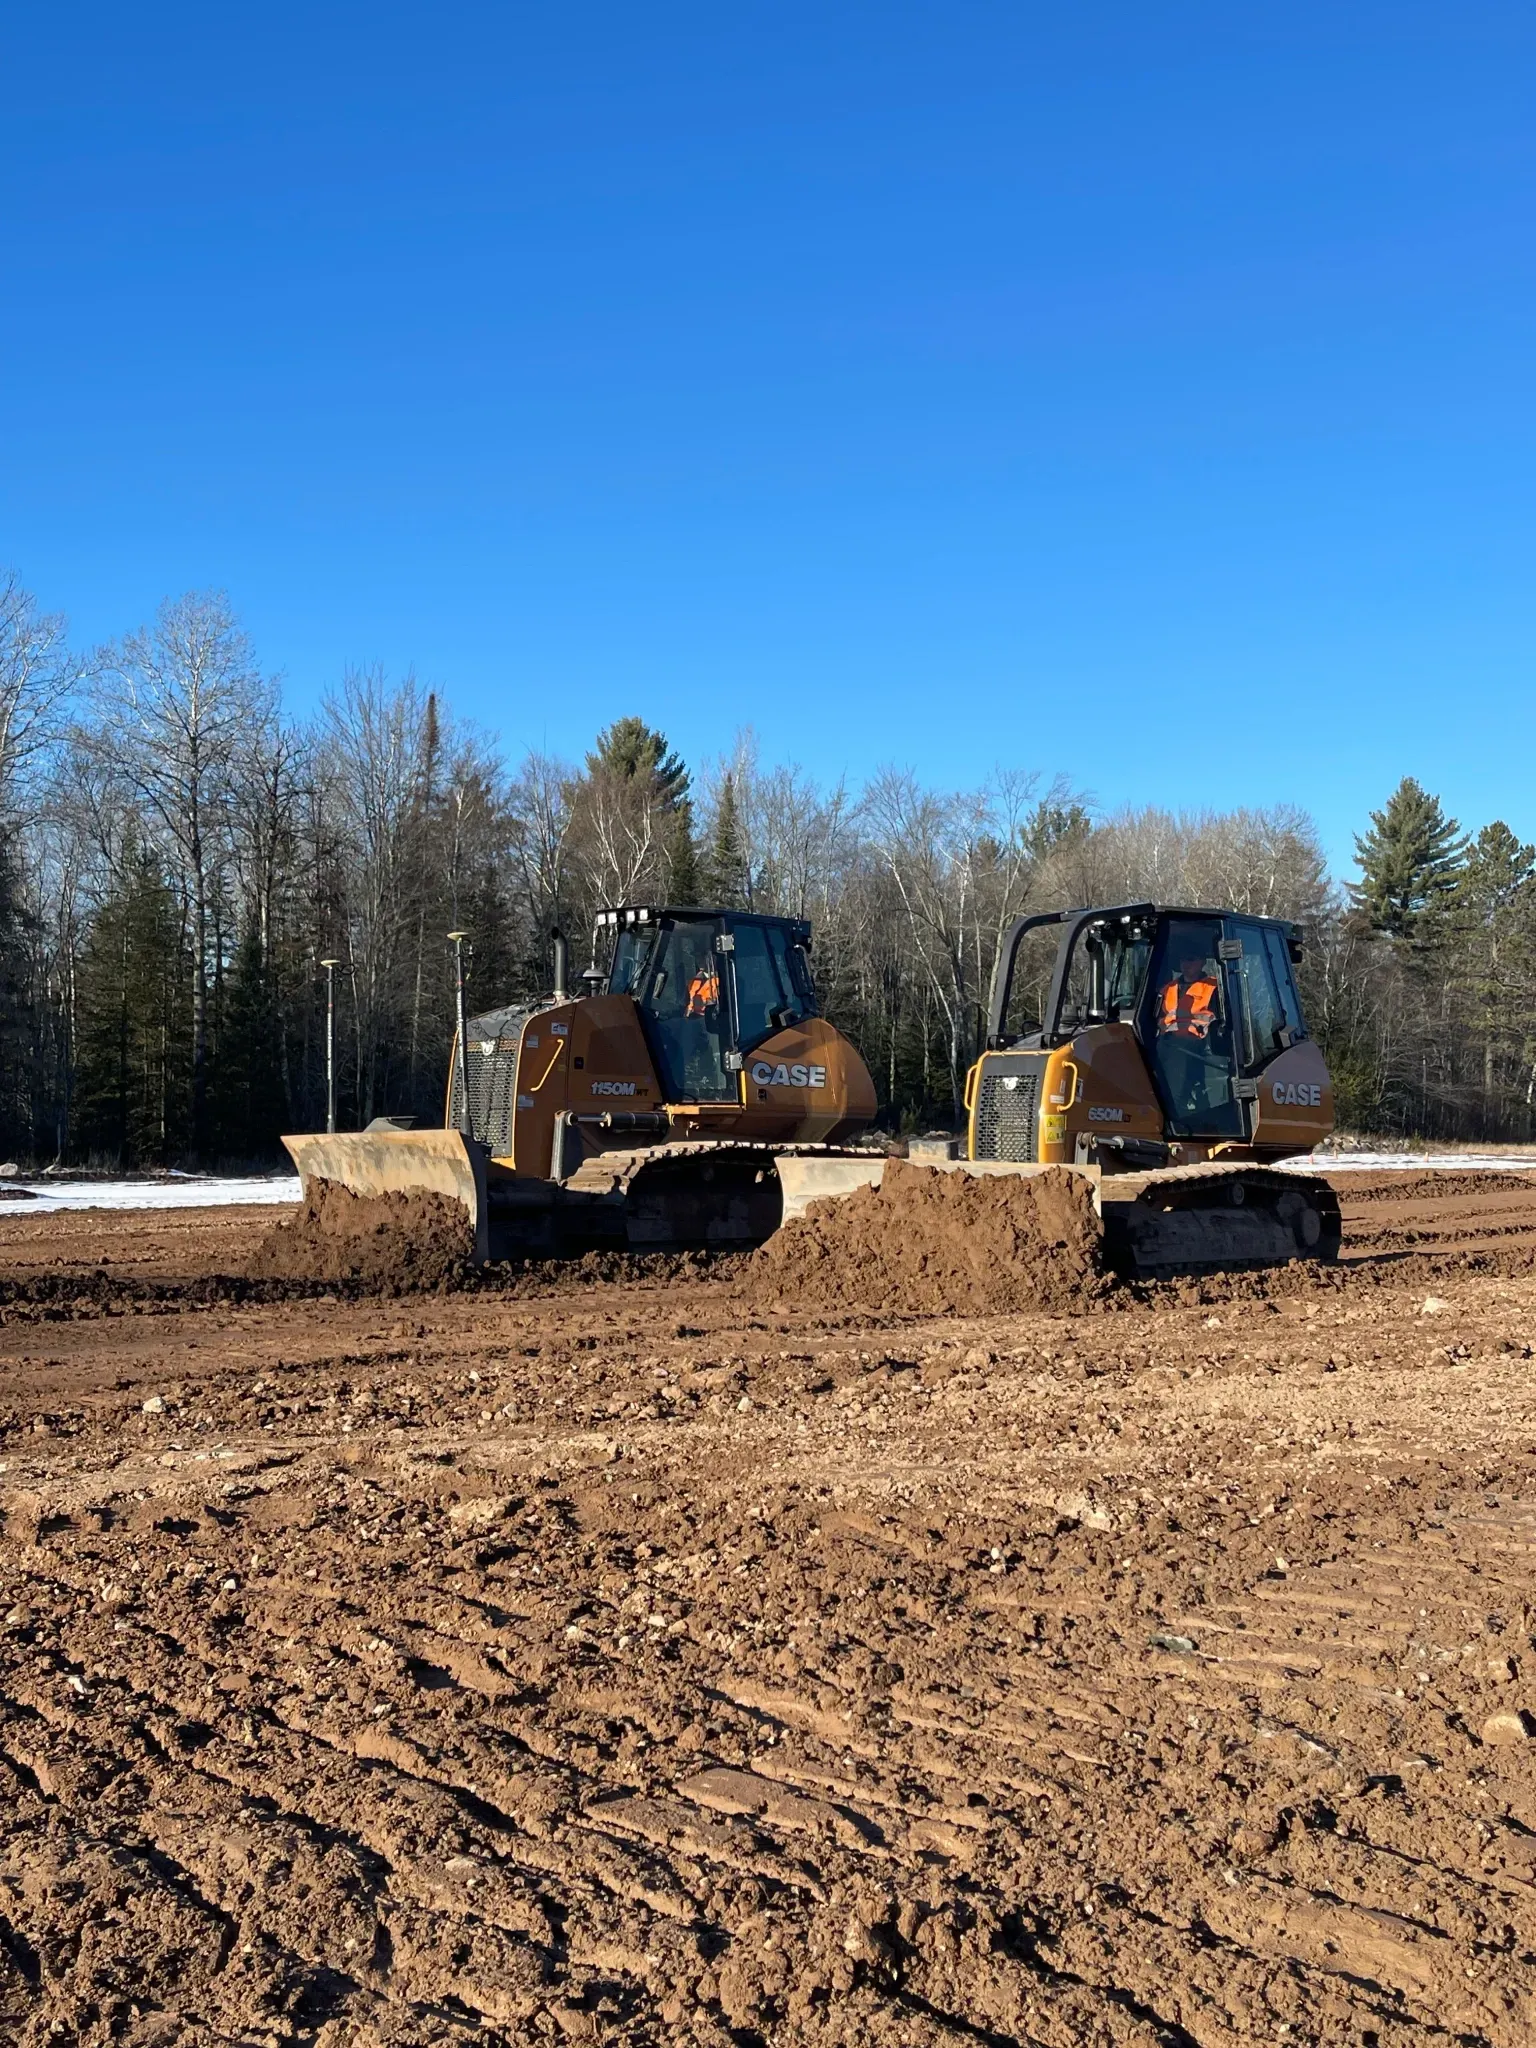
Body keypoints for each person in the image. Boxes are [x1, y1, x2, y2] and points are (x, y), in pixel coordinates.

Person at [1157, 951, 1221, 1118]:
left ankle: (1173, 1110)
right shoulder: (1167, 989)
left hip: (1201, 1045)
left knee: (1178, 1058)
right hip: (1167, 1041)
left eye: (1191, 959)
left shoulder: (1213, 988)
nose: (1186, 964)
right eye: (1183, 959)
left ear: (1202, 962)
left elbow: (1221, 1020)